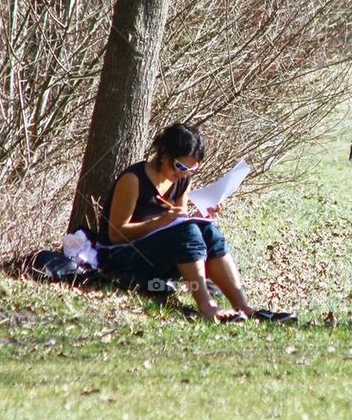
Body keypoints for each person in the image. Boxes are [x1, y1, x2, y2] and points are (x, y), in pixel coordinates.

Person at [97, 122, 296, 324]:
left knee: (209, 231)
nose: (183, 173)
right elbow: (115, 234)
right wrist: (160, 221)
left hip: (159, 252)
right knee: (189, 231)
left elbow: (180, 221)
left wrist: (203, 215)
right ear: (164, 153)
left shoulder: (182, 180)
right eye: (180, 166)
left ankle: (243, 307)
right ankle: (207, 306)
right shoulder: (133, 179)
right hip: (121, 256)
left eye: (192, 169)